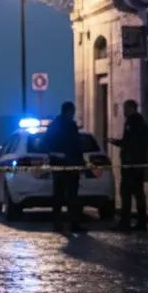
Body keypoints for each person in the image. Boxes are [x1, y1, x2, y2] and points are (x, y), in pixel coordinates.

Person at [42, 100, 85, 233]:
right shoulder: (70, 125)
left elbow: (46, 143)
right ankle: (73, 224)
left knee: (58, 195)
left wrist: (53, 156)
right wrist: (79, 161)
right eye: (73, 112)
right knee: (72, 195)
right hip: (70, 165)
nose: (73, 114)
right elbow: (76, 144)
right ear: (69, 111)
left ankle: (57, 223)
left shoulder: (53, 125)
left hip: (57, 165)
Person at [109, 99, 148, 231]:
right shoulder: (140, 121)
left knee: (126, 193)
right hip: (136, 164)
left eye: (125, 108)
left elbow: (130, 143)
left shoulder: (133, 121)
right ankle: (141, 223)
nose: (123, 112)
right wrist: (116, 142)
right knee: (138, 193)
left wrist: (119, 144)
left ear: (131, 108)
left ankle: (126, 223)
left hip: (131, 165)